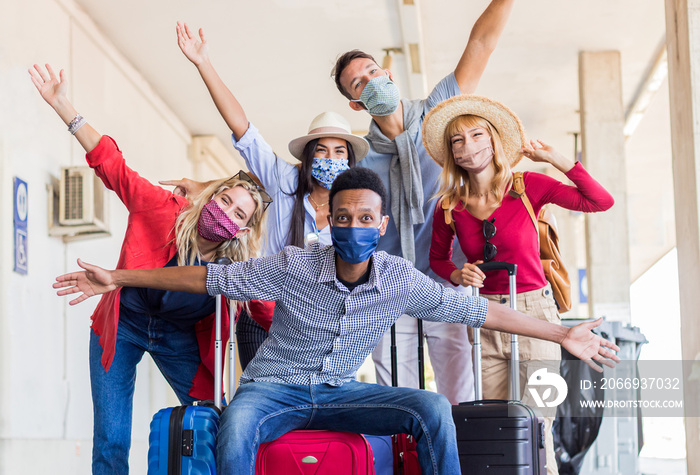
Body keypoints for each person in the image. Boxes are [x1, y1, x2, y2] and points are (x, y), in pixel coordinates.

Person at [54, 167, 620, 475]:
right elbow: (205, 279)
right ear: (330, 220)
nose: (353, 224)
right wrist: (121, 278)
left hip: (345, 393)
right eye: (343, 216)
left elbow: (475, 308)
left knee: (431, 408)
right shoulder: (293, 265)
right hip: (272, 390)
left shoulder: (398, 278)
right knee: (233, 433)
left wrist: (562, 332)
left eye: (365, 217)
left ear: (382, 223)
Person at [29, 63, 271, 475]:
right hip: (125, 323)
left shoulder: (237, 267)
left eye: (238, 212)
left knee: (218, 420)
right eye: (224, 200)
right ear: (211, 195)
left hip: (181, 340)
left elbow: (270, 311)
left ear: (244, 228)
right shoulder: (161, 209)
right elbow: (112, 166)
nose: (226, 212)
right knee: (112, 439)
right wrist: (63, 106)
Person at [331, 0, 516, 403]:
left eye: (372, 72)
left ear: (389, 75)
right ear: (355, 103)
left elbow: (482, 43)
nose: (370, 82)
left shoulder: (438, 114)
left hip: (449, 282)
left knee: (461, 396)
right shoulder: (359, 156)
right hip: (387, 289)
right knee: (398, 399)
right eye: (359, 84)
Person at [423, 94, 615, 475]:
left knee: (535, 424)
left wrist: (556, 159)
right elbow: (438, 260)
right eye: (457, 141)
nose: (468, 146)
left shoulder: (528, 186)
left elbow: (599, 201)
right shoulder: (449, 206)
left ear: (493, 140)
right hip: (485, 315)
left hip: (537, 314)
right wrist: (460, 275)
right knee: (497, 427)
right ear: (452, 154)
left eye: (476, 135)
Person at [167, 22, 370, 367]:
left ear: (350, 162)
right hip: (263, 316)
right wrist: (203, 63)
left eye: (340, 152)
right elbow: (242, 127)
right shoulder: (283, 179)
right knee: (259, 406)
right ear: (308, 155)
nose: (330, 159)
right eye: (322, 150)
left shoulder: (355, 210)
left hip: (318, 326)